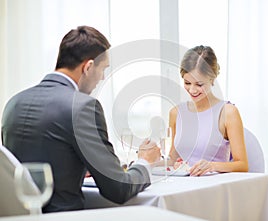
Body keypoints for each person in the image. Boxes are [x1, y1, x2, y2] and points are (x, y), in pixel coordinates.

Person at [1, 26, 161, 213]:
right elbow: (119, 189)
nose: (101, 78)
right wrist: (145, 162)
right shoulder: (83, 107)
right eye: (103, 70)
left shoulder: (14, 103)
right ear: (88, 67)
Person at [168, 45, 248, 176]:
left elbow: (242, 165)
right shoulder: (176, 113)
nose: (192, 90)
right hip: (181, 186)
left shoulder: (228, 112)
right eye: (187, 83)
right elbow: (172, 159)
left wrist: (211, 166)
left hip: (212, 188)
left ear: (212, 79)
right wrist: (149, 160)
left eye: (199, 85)